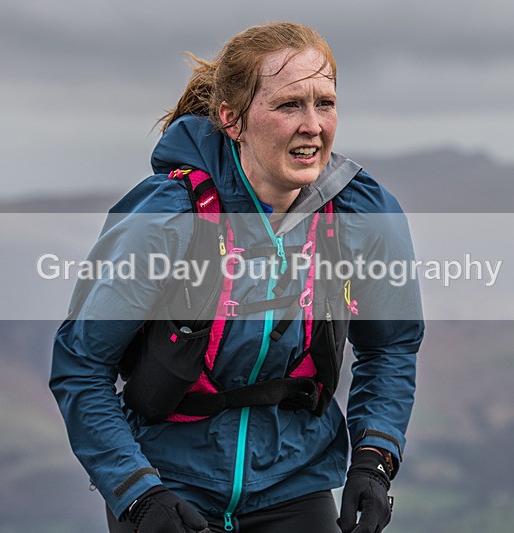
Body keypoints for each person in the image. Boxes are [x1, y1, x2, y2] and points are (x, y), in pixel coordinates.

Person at [50, 22, 424, 533]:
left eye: (325, 103)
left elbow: (391, 347)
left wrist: (375, 459)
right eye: (289, 104)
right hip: (170, 487)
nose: (313, 124)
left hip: (294, 481)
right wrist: (137, 494)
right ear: (232, 118)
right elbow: (81, 365)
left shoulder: (360, 213)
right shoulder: (169, 214)